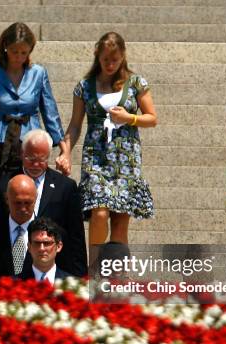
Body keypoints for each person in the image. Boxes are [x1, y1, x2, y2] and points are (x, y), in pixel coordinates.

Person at [63, 32, 157, 259]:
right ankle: (94, 269)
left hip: (126, 158)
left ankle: (118, 274)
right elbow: (75, 125)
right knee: (100, 213)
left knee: (120, 221)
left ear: (123, 56)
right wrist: (65, 151)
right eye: (106, 59)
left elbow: (152, 118)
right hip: (96, 157)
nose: (110, 64)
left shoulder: (136, 83)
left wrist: (129, 118)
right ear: (98, 56)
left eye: (114, 60)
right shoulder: (84, 87)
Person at [0, 22, 71, 202]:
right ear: (5, 47)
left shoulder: (39, 73)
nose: (19, 57)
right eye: (15, 52)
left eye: (24, 53)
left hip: (30, 144)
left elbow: (50, 111)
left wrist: (64, 150)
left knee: (28, 200)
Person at [0, 129, 87, 276]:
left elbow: (76, 238)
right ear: (21, 153)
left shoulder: (66, 188)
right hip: (8, 272)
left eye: (42, 159)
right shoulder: (2, 186)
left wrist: (80, 280)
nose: (36, 165)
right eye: (30, 159)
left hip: (52, 272)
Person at [18, 217, 73, 284]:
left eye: (47, 243)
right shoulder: (14, 284)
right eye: (37, 243)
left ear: (58, 246)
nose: (42, 248)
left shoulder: (73, 285)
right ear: (29, 247)